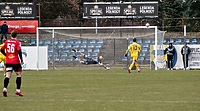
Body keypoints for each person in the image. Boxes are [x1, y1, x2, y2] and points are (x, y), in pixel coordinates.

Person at [1, 30, 24, 97]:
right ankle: (18, 90)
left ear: (11, 35)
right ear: (16, 35)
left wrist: (6, 55)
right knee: (19, 75)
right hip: (16, 61)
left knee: (8, 75)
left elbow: (1, 49)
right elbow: (19, 51)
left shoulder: (7, 42)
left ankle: (5, 88)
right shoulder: (17, 42)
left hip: (8, 61)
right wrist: (21, 60)